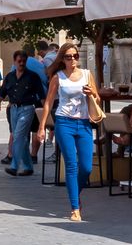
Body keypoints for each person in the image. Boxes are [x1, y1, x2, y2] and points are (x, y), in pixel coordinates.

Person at [38, 42, 97, 222]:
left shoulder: (87, 74)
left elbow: (97, 98)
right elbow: (48, 102)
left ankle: (75, 193)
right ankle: (75, 208)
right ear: (62, 59)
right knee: (71, 165)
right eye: (68, 57)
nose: (72, 59)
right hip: (64, 123)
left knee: (86, 167)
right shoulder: (58, 77)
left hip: (84, 123)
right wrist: (41, 126)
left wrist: (92, 93)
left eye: (75, 56)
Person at [0, 50, 46, 177]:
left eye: (24, 61)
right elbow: (2, 92)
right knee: (21, 139)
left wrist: (46, 112)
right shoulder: (10, 76)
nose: (21, 63)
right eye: (19, 61)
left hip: (28, 109)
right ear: (14, 61)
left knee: (18, 136)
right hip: (13, 109)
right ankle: (28, 167)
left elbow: (42, 95)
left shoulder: (33, 76)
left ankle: (14, 166)